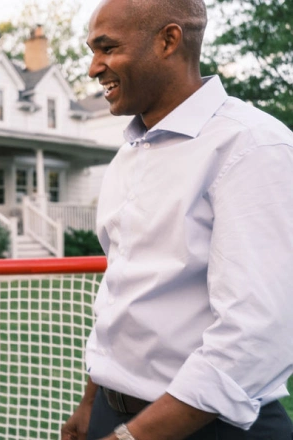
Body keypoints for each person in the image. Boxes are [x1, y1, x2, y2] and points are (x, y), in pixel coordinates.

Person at [62, 0, 293, 439]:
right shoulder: (129, 152)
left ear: (168, 40)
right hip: (114, 414)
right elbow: (122, 291)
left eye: (107, 48)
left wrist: (134, 437)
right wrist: (93, 403)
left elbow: (257, 335)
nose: (94, 68)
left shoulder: (252, 146)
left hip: (209, 426)